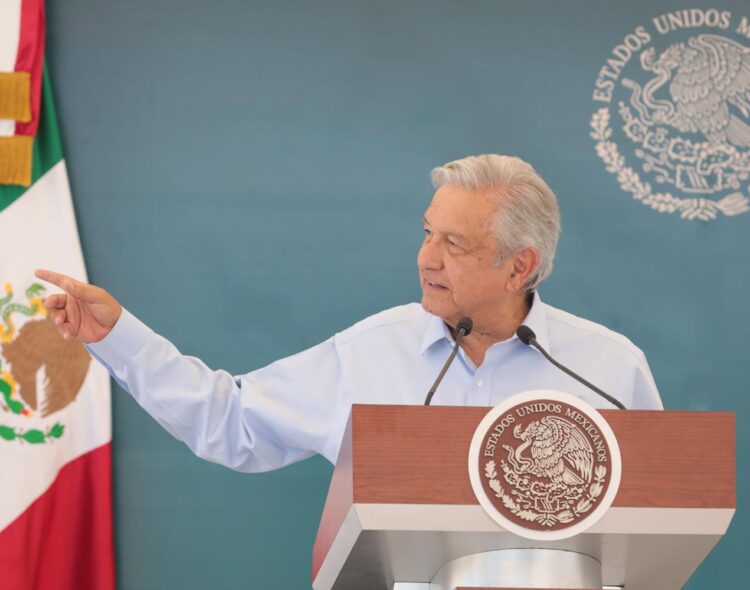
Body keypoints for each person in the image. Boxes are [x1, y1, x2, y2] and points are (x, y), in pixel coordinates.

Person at [36, 154, 662, 473]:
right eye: (426, 232)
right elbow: (231, 422)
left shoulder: (607, 368)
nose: (426, 258)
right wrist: (117, 337)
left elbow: (659, 521)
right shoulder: (372, 352)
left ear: (519, 267)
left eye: (454, 244)